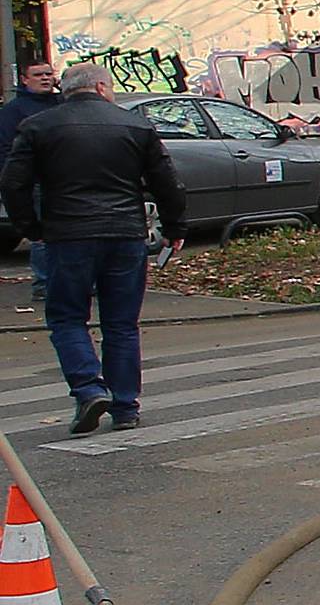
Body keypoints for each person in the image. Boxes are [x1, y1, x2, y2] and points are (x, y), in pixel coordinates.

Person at [0, 62, 187, 433]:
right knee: (121, 324)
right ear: (101, 87)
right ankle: (125, 406)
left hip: (67, 234)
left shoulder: (39, 126)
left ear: (66, 90)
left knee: (68, 317)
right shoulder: (134, 124)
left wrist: (32, 227)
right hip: (125, 233)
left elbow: (13, 183)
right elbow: (167, 181)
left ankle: (88, 387)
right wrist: (175, 226)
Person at [0, 58, 61, 306]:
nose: (45, 78)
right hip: (36, 181)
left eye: (48, 73)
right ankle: (43, 284)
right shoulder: (15, 111)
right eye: (38, 75)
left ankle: (72, 282)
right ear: (24, 80)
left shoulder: (62, 103)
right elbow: (6, 148)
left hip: (65, 179)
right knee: (41, 236)